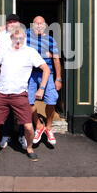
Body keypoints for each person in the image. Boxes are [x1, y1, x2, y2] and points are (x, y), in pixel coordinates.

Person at [0, 27, 50, 162]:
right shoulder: (3, 51)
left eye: (20, 38)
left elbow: (46, 69)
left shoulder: (30, 52)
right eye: (15, 38)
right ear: (11, 38)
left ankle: (29, 148)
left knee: (28, 127)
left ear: (24, 39)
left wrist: (41, 88)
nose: (18, 41)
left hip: (20, 95)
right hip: (2, 94)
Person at [27, 16, 62, 146]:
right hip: (30, 74)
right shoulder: (26, 37)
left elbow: (56, 59)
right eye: (36, 23)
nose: (39, 25)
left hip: (48, 73)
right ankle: (38, 125)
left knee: (52, 99)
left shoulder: (51, 40)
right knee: (27, 102)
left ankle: (48, 128)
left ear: (46, 25)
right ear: (32, 25)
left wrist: (58, 78)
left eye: (41, 23)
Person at [0, 14, 27, 149]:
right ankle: (6, 135)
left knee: (21, 110)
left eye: (15, 21)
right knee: (6, 109)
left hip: (20, 78)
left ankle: (21, 135)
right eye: (10, 21)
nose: (12, 24)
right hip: (4, 77)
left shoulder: (23, 36)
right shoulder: (0, 36)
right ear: (6, 23)